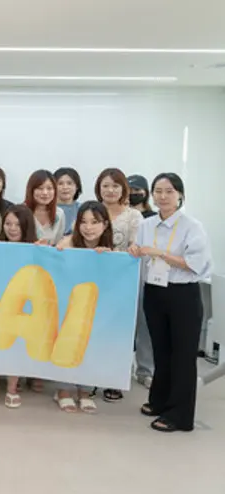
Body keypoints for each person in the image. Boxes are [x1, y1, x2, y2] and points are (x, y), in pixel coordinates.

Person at [129, 173, 212, 432]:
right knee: (161, 351)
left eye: (169, 191)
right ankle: (159, 401)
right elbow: (139, 251)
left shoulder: (192, 226)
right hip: (155, 292)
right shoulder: (147, 224)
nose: (162, 196)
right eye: (158, 191)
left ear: (180, 195)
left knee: (183, 356)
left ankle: (180, 415)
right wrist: (134, 250)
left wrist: (160, 253)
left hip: (182, 294)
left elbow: (195, 265)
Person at [54, 201, 113, 414]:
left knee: (91, 344)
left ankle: (86, 391)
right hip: (69, 305)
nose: (88, 227)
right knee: (67, 342)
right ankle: (63, 390)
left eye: (94, 222)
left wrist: (107, 259)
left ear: (105, 224)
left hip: (95, 307)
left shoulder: (111, 249)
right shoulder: (68, 243)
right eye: (83, 222)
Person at [94, 167, 145, 402]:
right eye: (105, 185)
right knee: (95, 328)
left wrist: (133, 249)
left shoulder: (134, 216)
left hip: (123, 282)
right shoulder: (92, 211)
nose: (110, 190)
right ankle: (91, 375)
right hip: (94, 279)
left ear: (123, 189)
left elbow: (137, 245)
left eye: (115, 186)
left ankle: (114, 380)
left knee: (119, 332)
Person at [0, 205, 38, 408]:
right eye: (8, 224)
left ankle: (12, 388)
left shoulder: (36, 248)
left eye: (17, 224)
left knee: (17, 346)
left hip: (22, 306)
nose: (12, 228)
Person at [127, 173, 156, 388]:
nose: (133, 194)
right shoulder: (122, 214)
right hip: (123, 275)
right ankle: (122, 367)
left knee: (146, 324)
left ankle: (145, 369)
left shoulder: (154, 217)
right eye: (129, 190)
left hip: (149, 276)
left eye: (137, 190)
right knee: (123, 323)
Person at [24, 170, 65, 246]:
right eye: (40, 188)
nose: (45, 193)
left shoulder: (59, 213)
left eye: (49, 188)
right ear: (31, 190)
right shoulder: (21, 211)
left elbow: (58, 243)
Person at [54, 167, 83, 235]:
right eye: (60, 183)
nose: (65, 187)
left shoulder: (82, 209)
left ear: (77, 186)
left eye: (69, 183)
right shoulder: (46, 208)